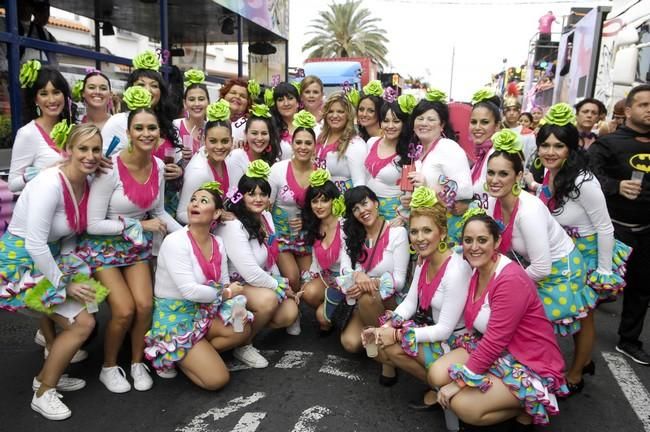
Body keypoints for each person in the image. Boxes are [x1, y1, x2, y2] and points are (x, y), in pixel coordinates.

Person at [0, 124, 105, 420]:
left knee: (87, 312)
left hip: (50, 260)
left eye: (95, 149)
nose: (90, 155)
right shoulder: (50, 183)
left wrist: (73, 269)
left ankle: (48, 375)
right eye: (83, 148)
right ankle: (43, 392)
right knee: (81, 324)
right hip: (20, 265)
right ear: (69, 150)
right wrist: (64, 284)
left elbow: (68, 233)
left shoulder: (84, 182)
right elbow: (34, 243)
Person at [429, 211, 568, 429]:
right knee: (436, 374)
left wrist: (459, 383)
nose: (474, 247)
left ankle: (531, 404)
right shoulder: (477, 268)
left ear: (497, 241)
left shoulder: (510, 279)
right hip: (497, 350)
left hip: (528, 360)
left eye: (482, 240)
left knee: (463, 406)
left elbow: (495, 339)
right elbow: (447, 257)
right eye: (468, 240)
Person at [485, 129, 598, 392]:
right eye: (491, 172)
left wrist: (502, 283)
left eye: (503, 173)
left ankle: (564, 375)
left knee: (540, 321)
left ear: (517, 176)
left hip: (561, 269)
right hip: (533, 266)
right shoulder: (496, 202)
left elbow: (543, 267)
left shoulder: (529, 210)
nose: (495, 179)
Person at [79, 107, 182, 393]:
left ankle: (137, 362)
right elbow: (93, 224)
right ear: (128, 134)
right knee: (123, 311)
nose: (146, 134)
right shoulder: (109, 169)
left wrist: (190, 235)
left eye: (152, 128)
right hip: (104, 249)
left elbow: (159, 211)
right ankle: (109, 367)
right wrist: (140, 226)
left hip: (135, 248)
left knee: (146, 305)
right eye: (139, 128)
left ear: (160, 133)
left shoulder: (159, 167)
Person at [536, 103, 631, 391]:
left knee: (585, 315)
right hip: (563, 253)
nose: (550, 151)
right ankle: (580, 362)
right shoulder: (549, 174)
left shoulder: (583, 179)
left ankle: (577, 372)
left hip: (588, 254)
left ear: (570, 149)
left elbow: (605, 227)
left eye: (558, 146)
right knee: (573, 313)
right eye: (545, 145)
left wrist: (603, 272)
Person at [362, 186, 472, 409]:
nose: (419, 238)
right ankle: (436, 386)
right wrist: (389, 326)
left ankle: (447, 387)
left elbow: (444, 330)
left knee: (393, 343)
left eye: (427, 231)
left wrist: (396, 333)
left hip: (458, 341)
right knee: (384, 345)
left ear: (442, 232)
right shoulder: (424, 260)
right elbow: (410, 302)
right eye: (414, 231)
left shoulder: (456, 270)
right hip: (434, 330)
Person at [144, 182, 252, 387]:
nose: (195, 204)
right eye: (193, 200)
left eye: (204, 201)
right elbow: (190, 291)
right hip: (177, 319)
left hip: (204, 312)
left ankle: (197, 353)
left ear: (217, 212)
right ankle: (175, 353)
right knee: (217, 380)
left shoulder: (217, 242)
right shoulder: (175, 241)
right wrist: (228, 293)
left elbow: (224, 281)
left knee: (242, 328)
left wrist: (236, 307)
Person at [217, 160, 299, 368]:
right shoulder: (234, 225)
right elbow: (250, 273)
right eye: (251, 194)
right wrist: (279, 286)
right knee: (269, 300)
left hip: (256, 282)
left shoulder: (266, 217)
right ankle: (243, 344)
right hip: (235, 285)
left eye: (263, 194)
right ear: (241, 196)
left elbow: (271, 256)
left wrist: (282, 283)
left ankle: (246, 326)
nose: (258, 199)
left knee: (289, 313)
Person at [589, 84, 650, 365]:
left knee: (641, 289)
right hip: (613, 231)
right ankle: (579, 346)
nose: (649, 111)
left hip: (646, 230)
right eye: (644, 105)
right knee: (595, 290)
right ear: (628, 110)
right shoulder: (610, 144)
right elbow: (586, 176)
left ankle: (629, 340)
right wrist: (615, 186)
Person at [338, 186, 409, 386]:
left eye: (365, 203)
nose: (362, 211)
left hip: (390, 302)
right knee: (350, 344)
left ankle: (387, 361)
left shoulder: (397, 233)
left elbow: (400, 280)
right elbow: (344, 270)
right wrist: (358, 275)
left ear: (376, 203)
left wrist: (371, 283)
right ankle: (384, 349)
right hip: (362, 300)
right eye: (355, 208)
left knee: (368, 297)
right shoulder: (350, 235)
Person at [100, 51, 183, 214]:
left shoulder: (169, 124)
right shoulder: (117, 122)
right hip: (127, 205)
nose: (148, 90)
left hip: (164, 202)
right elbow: (103, 162)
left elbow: (178, 161)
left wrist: (179, 171)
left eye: (154, 85)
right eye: (141, 85)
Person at [268, 110, 318, 335]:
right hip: (280, 235)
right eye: (298, 142)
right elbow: (264, 206)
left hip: (307, 236)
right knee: (292, 277)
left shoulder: (320, 172)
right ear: (292, 144)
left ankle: (317, 314)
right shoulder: (278, 169)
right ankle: (293, 315)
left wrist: (308, 223)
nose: (303, 147)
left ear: (315, 146)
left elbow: (324, 208)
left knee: (309, 282)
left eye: (308, 143)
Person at [10, 61, 74, 193]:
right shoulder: (27, 133)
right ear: (35, 99)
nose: (51, 100)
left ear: (64, 95)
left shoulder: (73, 129)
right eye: (44, 94)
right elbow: (12, 185)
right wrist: (42, 173)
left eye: (56, 92)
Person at [177, 100, 245, 224]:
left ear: (232, 141)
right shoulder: (199, 172)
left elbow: (232, 196)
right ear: (204, 140)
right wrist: (216, 217)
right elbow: (181, 214)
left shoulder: (231, 160)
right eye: (213, 141)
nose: (219, 147)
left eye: (225, 141)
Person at [300, 169, 346, 333]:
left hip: (347, 282)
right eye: (314, 201)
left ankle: (340, 314)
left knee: (322, 318)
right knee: (308, 291)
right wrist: (309, 279)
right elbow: (315, 261)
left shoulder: (345, 224)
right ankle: (333, 312)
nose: (319, 206)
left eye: (324, 200)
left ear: (334, 201)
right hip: (327, 278)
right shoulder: (315, 224)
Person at [364, 96, 411, 221]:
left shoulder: (408, 154)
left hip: (394, 215)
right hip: (368, 211)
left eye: (396, 121)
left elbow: (408, 194)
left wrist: (402, 218)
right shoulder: (371, 142)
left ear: (404, 123)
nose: (390, 126)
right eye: (386, 121)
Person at [316, 92, 367, 193]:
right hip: (321, 203)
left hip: (345, 202)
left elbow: (360, 183)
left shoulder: (356, 143)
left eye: (340, 111)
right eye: (330, 111)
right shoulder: (320, 137)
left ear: (348, 115)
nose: (334, 115)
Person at [469, 89, 501, 208]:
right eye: (473, 122)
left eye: (484, 122)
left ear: (497, 126)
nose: (477, 127)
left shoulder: (498, 155)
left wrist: (466, 206)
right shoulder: (482, 154)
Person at [228, 104, 281, 174]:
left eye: (264, 133)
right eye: (254, 133)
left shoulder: (275, 160)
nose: (259, 138)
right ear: (245, 134)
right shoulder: (236, 157)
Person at [174, 69, 209, 160]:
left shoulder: (211, 128)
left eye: (201, 99)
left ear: (208, 102)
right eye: (192, 99)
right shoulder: (176, 126)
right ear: (185, 104)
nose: (197, 104)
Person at [271, 82, 301, 160]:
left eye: (290, 98)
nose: (286, 103)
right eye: (280, 100)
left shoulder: (310, 126)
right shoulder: (270, 127)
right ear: (276, 105)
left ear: (298, 103)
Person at [219, 78, 252, 148]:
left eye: (242, 96)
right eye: (233, 93)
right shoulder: (212, 119)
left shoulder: (251, 124)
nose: (237, 97)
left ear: (248, 103)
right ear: (224, 96)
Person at [502, 97, 536, 164]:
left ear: (519, 112)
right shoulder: (498, 131)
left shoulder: (529, 134)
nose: (511, 113)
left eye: (515, 110)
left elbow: (532, 157)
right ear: (504, 112)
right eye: (508, 110)